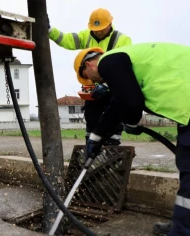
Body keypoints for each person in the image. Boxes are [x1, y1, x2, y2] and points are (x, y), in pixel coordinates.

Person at [73, 42, 190, 236]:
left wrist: (131, 120)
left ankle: (186, 232)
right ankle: (187, 220)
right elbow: (118, 104)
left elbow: (130, 103)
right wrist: (96, 137)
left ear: (89, 65)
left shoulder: (108, 61)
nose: (91, 83)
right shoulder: (127, 62)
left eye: (86, 78)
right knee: (188, 161)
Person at [48, 8, 132, 146]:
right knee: (91, 116)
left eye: (102, 28)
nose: (98, 32)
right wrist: (50, 30)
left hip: (114, 88)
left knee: (114, 116)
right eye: (95, 29)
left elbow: (124, 69)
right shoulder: (86, 35)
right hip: (93, 88)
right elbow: (67, 40)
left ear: (110, 24)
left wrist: (106, 86)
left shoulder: (122, 40)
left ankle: (112, 147)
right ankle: (91, 144)